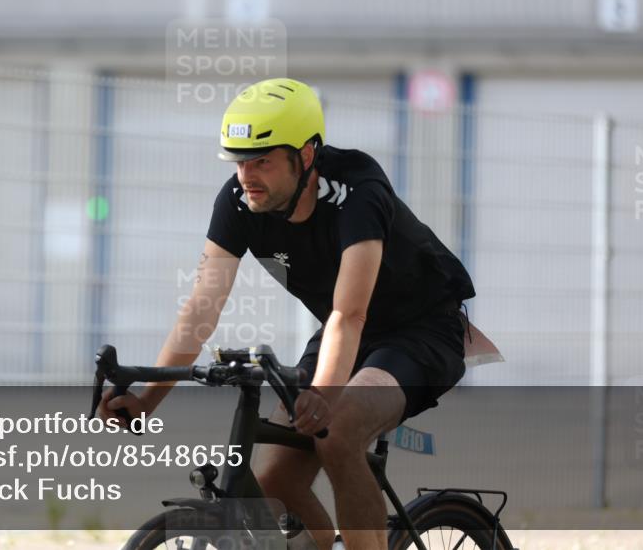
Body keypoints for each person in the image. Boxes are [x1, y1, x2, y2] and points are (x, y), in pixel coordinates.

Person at [98, 78, 474, 550]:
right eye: (239, 162)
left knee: (337, 432)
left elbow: (349, 312)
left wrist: (323, 391)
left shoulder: (358, 188)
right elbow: (201, 306)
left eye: (262, 162)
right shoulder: (239, 200)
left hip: (421, 332)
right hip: (343, 336)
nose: (246, 176)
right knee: (274, 481)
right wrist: (147, 401)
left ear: (307, 154)